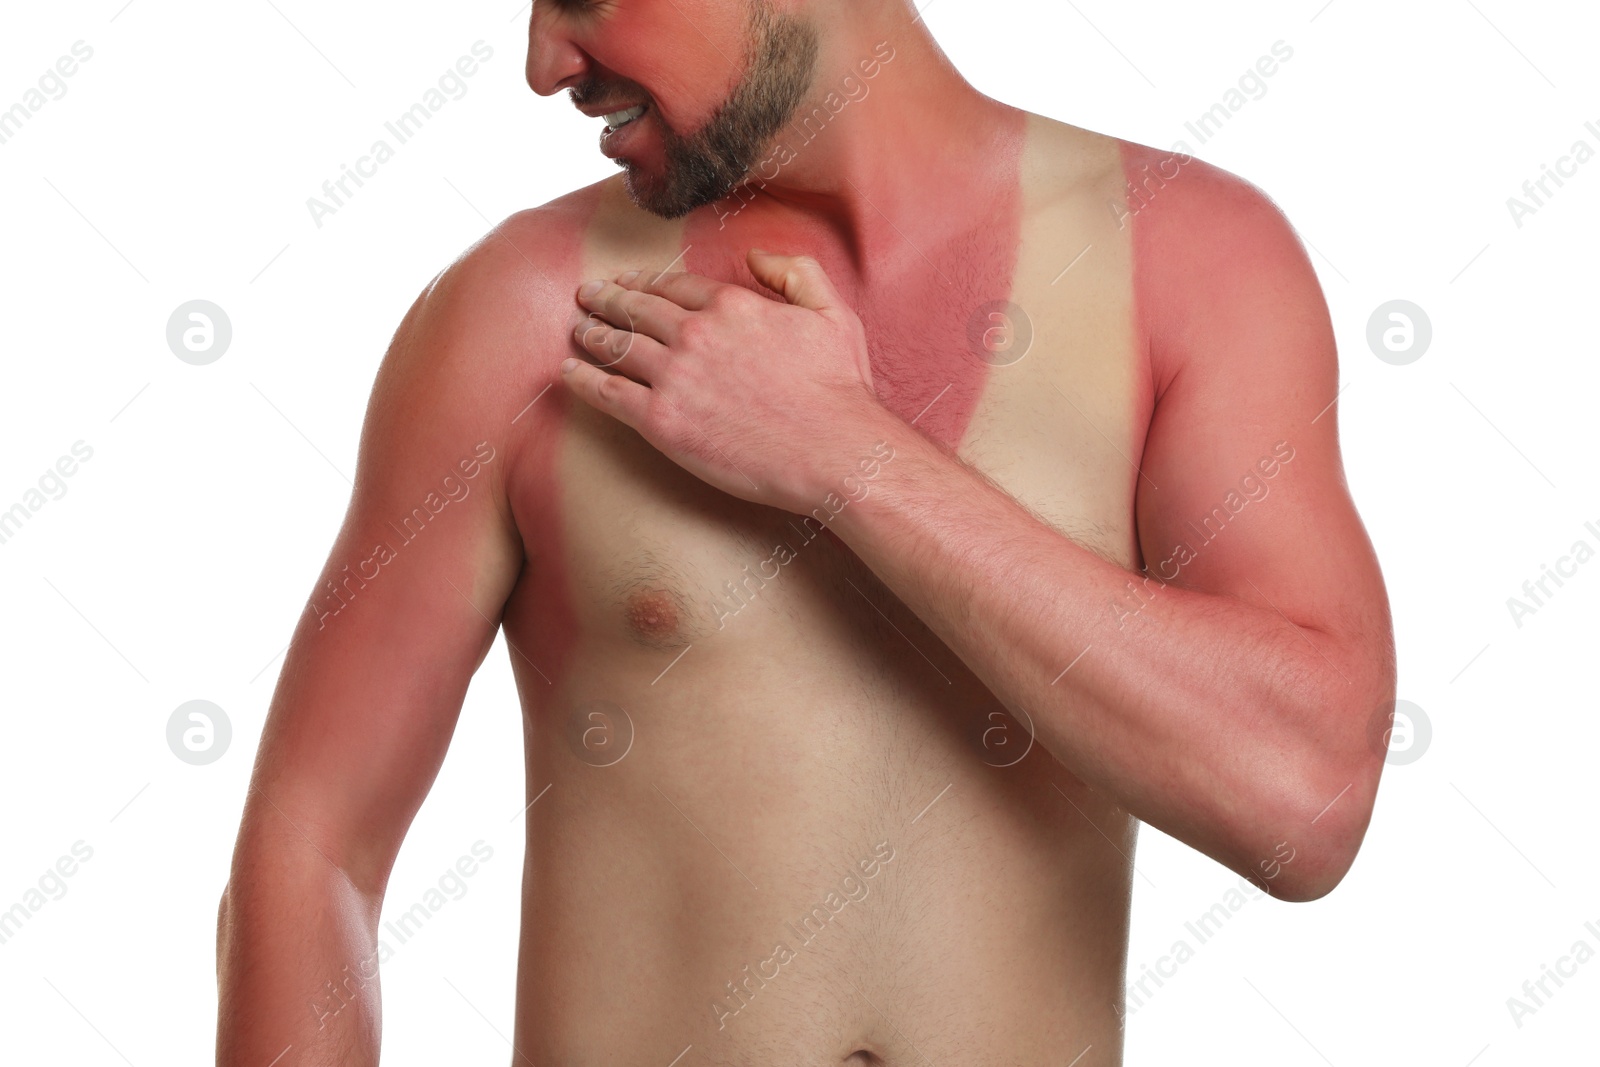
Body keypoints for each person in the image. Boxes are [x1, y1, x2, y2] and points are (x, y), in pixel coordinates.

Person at [217, 0, 1396, 1062]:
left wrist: (845, 455)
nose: (542, 63)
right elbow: (309, 845)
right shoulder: (528, 314)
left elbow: (1301, 799)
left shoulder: (1183, 259)